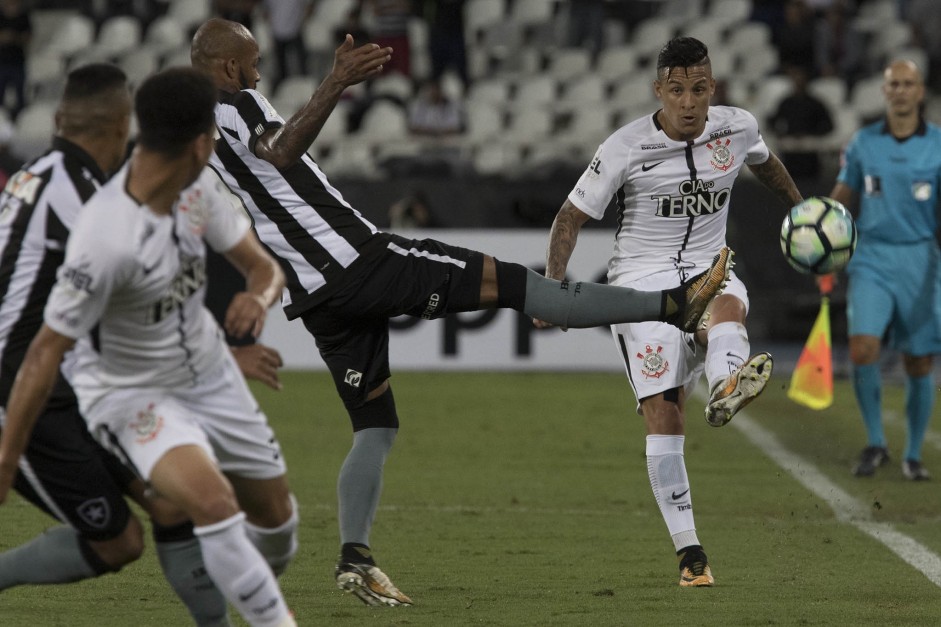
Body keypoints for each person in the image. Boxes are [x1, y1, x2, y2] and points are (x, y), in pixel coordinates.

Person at [190, 18, 733, 607]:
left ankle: (356, 557)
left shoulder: (195, 124)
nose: (259, 71)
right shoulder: (236, 104)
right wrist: (335, 82)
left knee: (374, 427)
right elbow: (280, 148)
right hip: (361, 260)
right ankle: (677, 305)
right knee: (519, 286)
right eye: (250, 62)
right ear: (226, 69)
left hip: (318, 296)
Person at [0, 67, 297, 627]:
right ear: (121, 126)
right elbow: (58, 331)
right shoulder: (91, 207)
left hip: (64, 371)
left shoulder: (42, 175)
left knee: (172, 505)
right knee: (120, 540)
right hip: (20, 383)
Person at [538, 36, 803, 588]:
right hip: (641, 285)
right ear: (659, 90)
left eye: (699, 89)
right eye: (677, 90)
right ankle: (690, 555)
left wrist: (803, 213)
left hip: (709, 266)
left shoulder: (737, 127)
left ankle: (727, 383)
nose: (689, 102)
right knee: (666, 415)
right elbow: (569, 217)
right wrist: (553, 285)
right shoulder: (624, 146)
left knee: (727, 307)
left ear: (714, 89)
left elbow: (767, 164)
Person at [827, 59, 941, 481]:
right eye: (894, 84)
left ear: (921, 90)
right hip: (872, 256)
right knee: (863, 349)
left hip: (920, 257)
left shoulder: (939, 145)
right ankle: (876, 442)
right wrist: (820, 238)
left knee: (918, 361)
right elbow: (842, 195)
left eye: (908, 83)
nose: (901, 91)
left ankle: (912, 453)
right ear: (884, 90)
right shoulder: (863, 143)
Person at [769, 65, 834, 180]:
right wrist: (782, 134)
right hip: (790, 146)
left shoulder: (815, 103)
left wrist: (813, 135)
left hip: (810, 145)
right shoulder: (786, 102)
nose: (799, 83)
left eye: (801, 79)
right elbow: (774, 121)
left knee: (810, 181)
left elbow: (828, 124)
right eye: (796, 80)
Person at [261, 0, 312, 88]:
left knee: (302, 67)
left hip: (295, 30)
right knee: (282, 69)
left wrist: (302, 22)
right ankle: (284, 88)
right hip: (278, 32)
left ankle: (305, 88)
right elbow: (266, 12)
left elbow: (308, 7)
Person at [0, 0, 30, 121]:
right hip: (1, 63)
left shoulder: (23, 17)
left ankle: (21, 120)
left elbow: (28, 37)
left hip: (18, 62)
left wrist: (15, 37)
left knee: (20, 95)